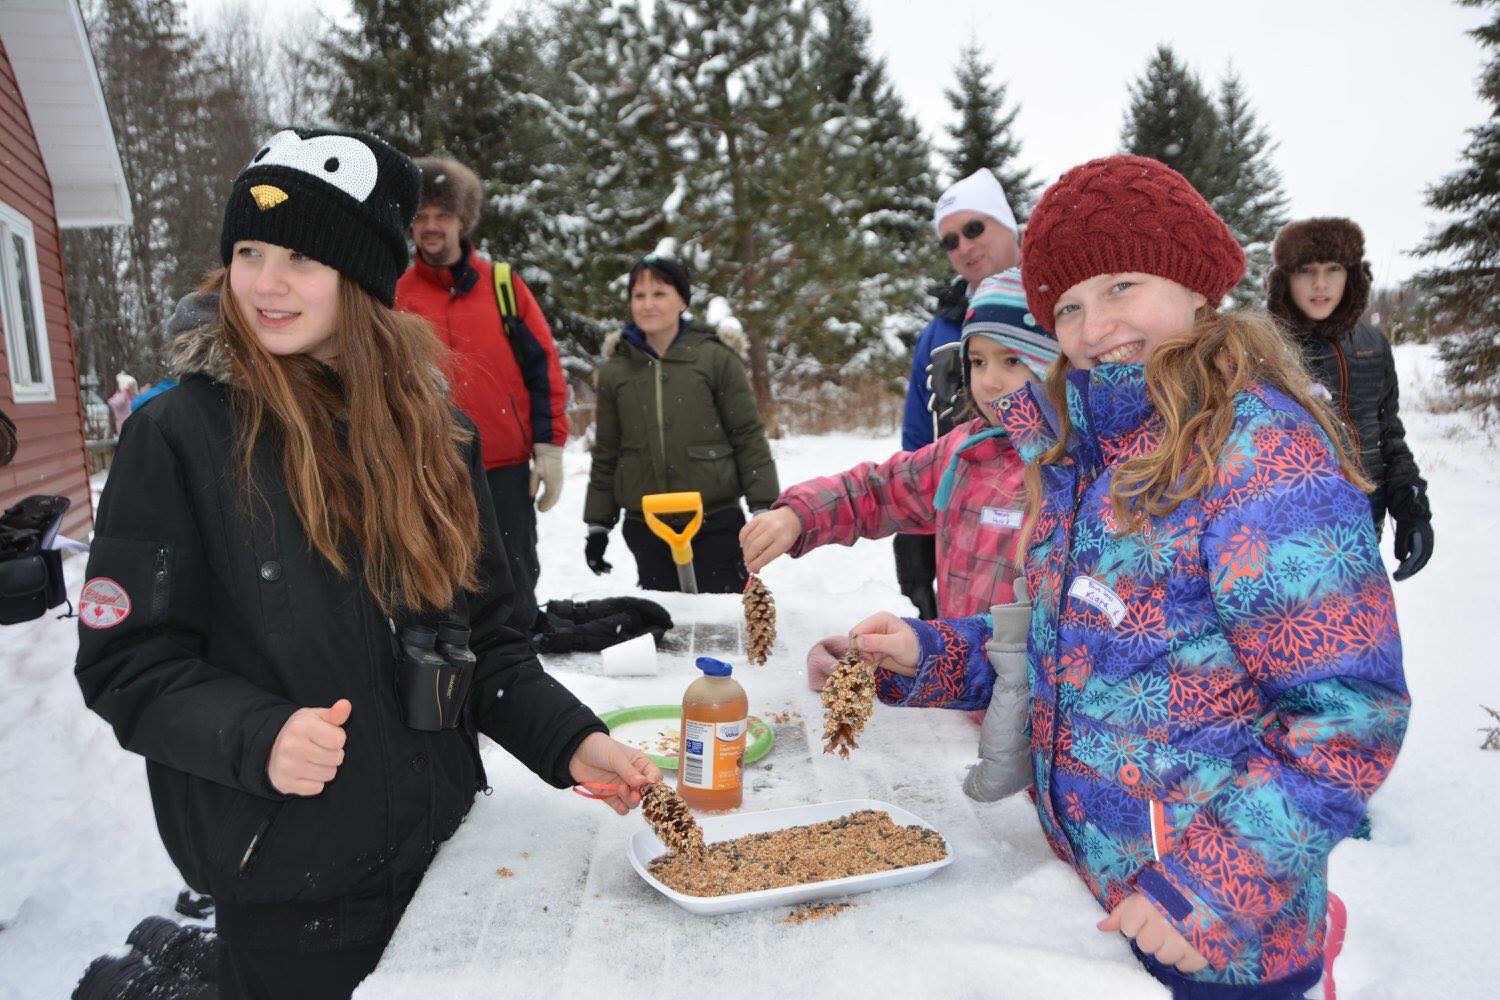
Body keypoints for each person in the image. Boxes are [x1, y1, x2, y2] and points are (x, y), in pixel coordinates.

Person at [74, 127, 659, 1000]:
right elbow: (127, 661)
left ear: (362, 278)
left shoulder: (439, 435)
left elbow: (489, 640)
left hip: (448, 859)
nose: (267, 283)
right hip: (285, 886)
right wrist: (257, 735)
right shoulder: (177, 437)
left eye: (304, 258)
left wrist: (572, 741)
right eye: (249, 250)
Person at [848, 156, 1409, 997]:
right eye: (1067, 305)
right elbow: (1076, 647)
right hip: (1105, 890)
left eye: (1120, 286)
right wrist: (927, 656)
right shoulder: (1082, 452)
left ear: (1194, 288)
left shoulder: (1260, 456)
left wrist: (1211, 887)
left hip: (1222, 936)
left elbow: (1350, 715)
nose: (1093, 325)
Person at [741, 268, 1056, 620]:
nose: (989, 382)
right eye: (978, 362)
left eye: (1012, 360)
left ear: (1052, 363)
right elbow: (878, 490)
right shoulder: (963, 453)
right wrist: (798, 515)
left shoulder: (1076, 467)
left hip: (1036, 672)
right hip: (955, 665)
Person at [395, 156, 568, 617]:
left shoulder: (504, 286)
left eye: (442, 215)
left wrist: (549, 447)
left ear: (463, 220)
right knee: (437, 587)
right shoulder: (394, 295)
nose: (431, 226)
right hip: (428, 469)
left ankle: (519, 672)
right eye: (421, 216)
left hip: (503, 470)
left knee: (513, 582)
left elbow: (543, 369)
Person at [583, 254, 778, 593]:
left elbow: (746, 435)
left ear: (683, 300)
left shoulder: (715, 358)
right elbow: (607, 451)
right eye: (638, 295)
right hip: (646, 524)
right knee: (667, 625)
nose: (647, 304)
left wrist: (763, 505)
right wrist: (598, 525)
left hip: (714, 517)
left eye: (659, 294)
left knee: (721, 622)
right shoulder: (617, 370)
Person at [1266, 217, 1433, 580]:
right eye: (1306, 270)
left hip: (1364, 525)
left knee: (1362, 635)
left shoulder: (1373, 345)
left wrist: (1411, 508)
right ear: (1285, 279)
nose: (1321, 284)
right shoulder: (1263, 347)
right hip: (1286, 537)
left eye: (1334, 269)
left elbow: (1388, 434)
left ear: (1352, 275)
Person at [896, 168, 1022, 619]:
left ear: (1008, 224)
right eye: (950, 240)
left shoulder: (1057, 309)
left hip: (1034, 520)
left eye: (974, 228)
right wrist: (914, 535)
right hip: (959, 522)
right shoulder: (939, 330)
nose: (965, 247)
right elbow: (918, 434)